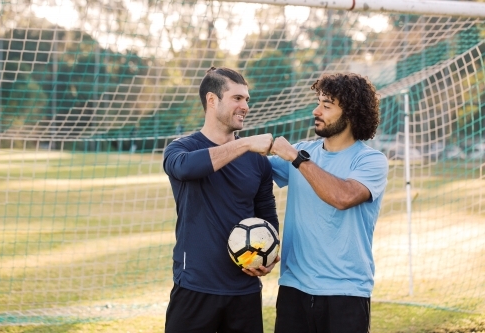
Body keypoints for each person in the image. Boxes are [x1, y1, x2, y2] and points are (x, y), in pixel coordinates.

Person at [268, 73, 389, 333]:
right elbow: (249, 173)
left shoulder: (370, 161)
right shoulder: (302, 150)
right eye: (318, 102)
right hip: (293, 289)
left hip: (346, 293)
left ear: (351, 114)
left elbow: (343, 197)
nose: (316, 110)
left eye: (327, 105)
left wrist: (296, 159)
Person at [162, 66, 279, 333]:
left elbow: (266, 214)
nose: (245, 106)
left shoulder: (257, 162)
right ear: (212, 100)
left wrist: (269, 256)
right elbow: (186, 168)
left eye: (246, 99)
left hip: (244, 290)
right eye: (237, 98)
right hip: (194, 286)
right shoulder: (181, 149)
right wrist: (245, 144)